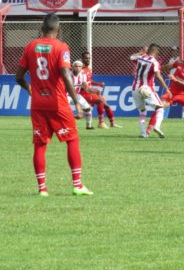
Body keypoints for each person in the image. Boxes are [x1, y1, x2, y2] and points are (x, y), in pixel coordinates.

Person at [15, 13, 93, 196]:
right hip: (57, 103)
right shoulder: (61, 47)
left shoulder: (30, 47)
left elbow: (18, 77)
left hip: (38, 104)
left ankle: (42, 189)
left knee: (40, 145)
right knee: (72, 139)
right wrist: (77, 102)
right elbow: (66, 75)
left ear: (42, 29)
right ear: (59, 30)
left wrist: (29, 89)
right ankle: (77, 185)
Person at [130, 43, 171, 138]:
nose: (158, 54)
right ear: (155, 51)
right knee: (160, 108)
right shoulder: (154, 62)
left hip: (135, 88)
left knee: (142, 111)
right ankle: (157, 127)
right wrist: (166, 88)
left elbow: (131, 57)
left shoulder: (140, 57)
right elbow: (158, 76)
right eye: (158, 52)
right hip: (147, 88)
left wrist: (140, 52)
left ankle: (143, 133)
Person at [81, 51, 121, 129]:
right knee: (100, 101)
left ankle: (112, 123)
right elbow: (83, 85)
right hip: (84, 92)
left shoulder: (88, 69)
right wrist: (93, 90)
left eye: (89, 58)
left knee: (107, 105)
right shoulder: (81, 70)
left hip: (90, 91)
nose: (88, 60)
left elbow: (90, 80)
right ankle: (101, 123)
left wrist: (97, 84)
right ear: (82, 59)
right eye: (86, 58)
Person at [68, 60, 94, 130]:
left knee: (88, 108)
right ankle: (71, 126)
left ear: (81, 67)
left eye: (79, 66)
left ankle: (89, 125)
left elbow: (85, 86)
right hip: (66, 95)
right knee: (66, 111)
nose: (78, 68)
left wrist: (90, 90)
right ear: (72, 67)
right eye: (76, 66)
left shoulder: (83, 75)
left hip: (77, 95)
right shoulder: (68, 74)